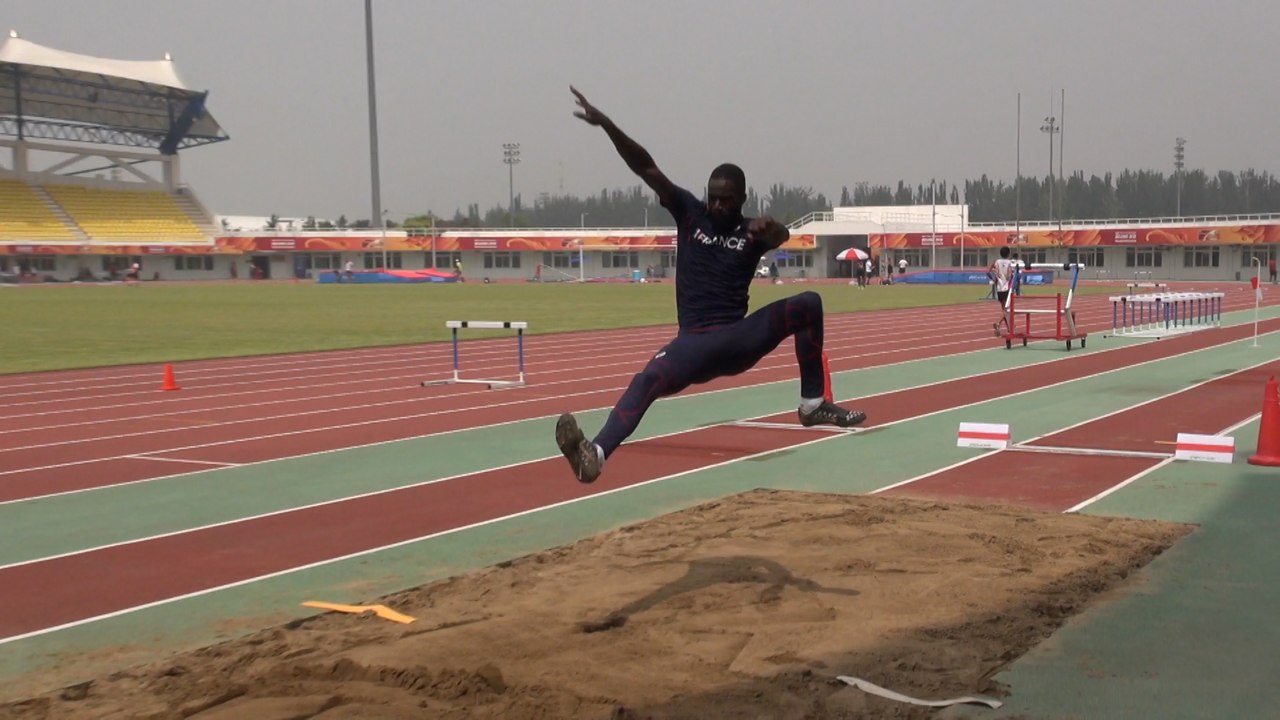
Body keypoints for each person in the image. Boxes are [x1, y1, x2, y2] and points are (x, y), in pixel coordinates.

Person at [554, 86, 866, 484]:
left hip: (736, 338)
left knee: (808, 303)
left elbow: (782, 237)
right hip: (692, 344)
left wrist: (774, 231)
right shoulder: (689, 213)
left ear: (742, 199)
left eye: (727, 200)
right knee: (648, 379)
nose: (718, 206)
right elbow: (645, 167)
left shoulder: (752, 231)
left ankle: (812, 404)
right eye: (713, 198)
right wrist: (608, 126)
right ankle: (594, 456)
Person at [990, 246, 1016, 336]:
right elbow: (1010, 276)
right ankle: (999, 323)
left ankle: (1009, 328)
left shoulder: (997, 262)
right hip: (1007, 288)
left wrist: (994, 280)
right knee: (1007, 310)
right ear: (1008, 254)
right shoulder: (1010, 263)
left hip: (999, 288)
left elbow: (993, 272)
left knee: (1004, 310)